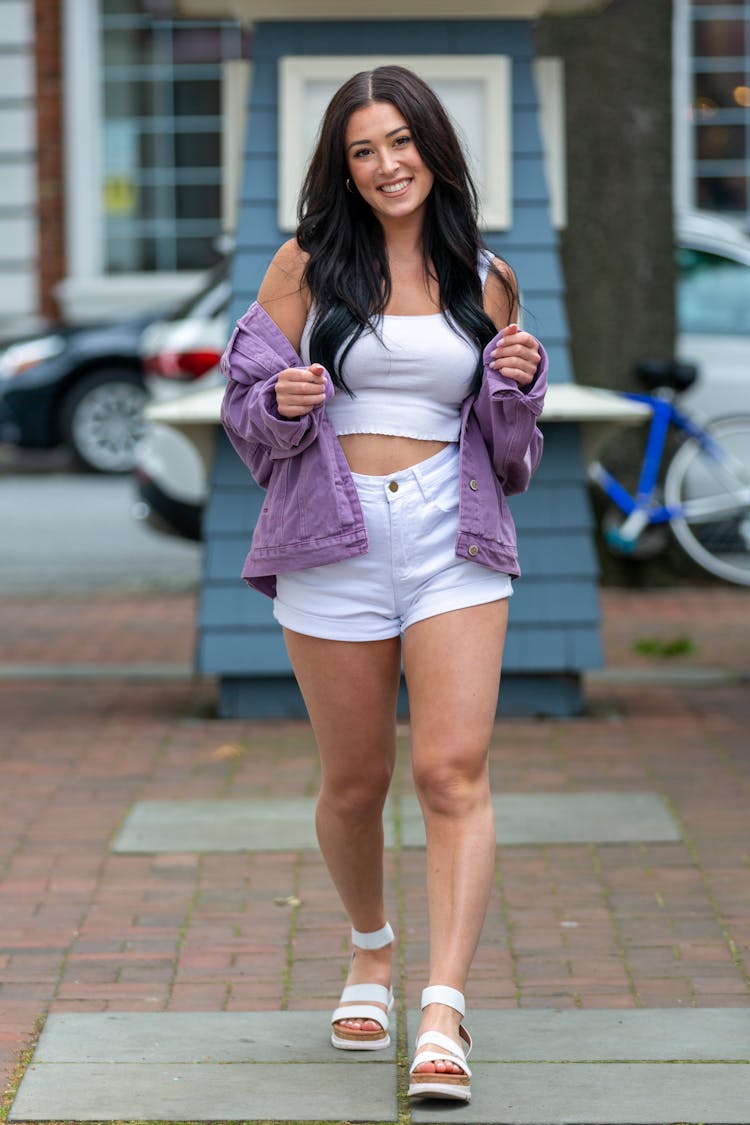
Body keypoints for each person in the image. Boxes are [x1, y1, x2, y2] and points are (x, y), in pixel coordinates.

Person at [220, 64, 547, 1105]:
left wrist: (519, 391)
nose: (386, 164)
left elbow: (510, 454)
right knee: (357, 783)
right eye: (363, 149)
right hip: (335, 535)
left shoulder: (485, 277)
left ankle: (443, 1006)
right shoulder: (306, 266)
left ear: (433, 148)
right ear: (343, 166)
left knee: (453, 772)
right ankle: (372, 949)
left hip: (453, 534)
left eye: (401, 142)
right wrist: (280, 394)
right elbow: (245, 415)